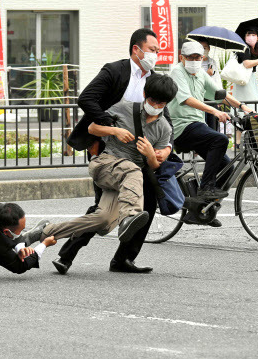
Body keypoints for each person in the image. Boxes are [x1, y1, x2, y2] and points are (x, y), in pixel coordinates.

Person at [57, 28, 174, 275]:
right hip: (110, 149)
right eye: (152, 50)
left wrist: (167, 148)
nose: (155, 55)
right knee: (103, 207)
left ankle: (124, 258)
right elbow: (87, 99)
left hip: (141, 155)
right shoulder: (115, 71)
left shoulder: (154, 79)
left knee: (148, 204)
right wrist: (111, 126)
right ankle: (67, 254)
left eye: (157, 51)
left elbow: (166, 116)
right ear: (136, 49)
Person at [25, 75, 176, 253]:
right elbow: (92, 128)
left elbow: (155, 166)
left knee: (103, 220)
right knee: (133, 170)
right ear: (144, 94)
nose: (156, 106)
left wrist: (151, 155)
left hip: (126, 178)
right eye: (153, 101)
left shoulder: (164, 128)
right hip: (105, 164)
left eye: (162, 104)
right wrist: (115, 130)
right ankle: (130, 216)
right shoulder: (124, 108)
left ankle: (43, 231)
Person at [168, 41, 253, 203]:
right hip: (181, 127)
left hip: (198, 127)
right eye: (190, 58)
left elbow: (220, 94)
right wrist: (214, 110)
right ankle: (206, 187)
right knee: (220, 139)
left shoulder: (200, 74)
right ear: (182, 58)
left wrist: (243, 107)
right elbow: (186, 99)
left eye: (198, 57)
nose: (194, 61)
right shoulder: (177, 72)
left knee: (228, 168)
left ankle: (203, 209)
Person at [231, 27, 258, 116]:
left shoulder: (255, 49)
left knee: (253, 102)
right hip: (243, 79)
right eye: (248, 35)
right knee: (247, 103)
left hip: (250, 78)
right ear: (244, 37)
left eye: (253, 35)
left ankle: (252, 123)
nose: (251, 37)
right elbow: (247, 64)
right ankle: (245, 123)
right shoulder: (243, 48)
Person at [198, 39, 222, 131]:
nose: (203, 50)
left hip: (212, 96)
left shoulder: (212, 62)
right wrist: (206, 74)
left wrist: (219, 97)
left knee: (213, 122)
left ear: (209, 49)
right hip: (200, 97)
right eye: (201, 48)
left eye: (205, 48)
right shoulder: (195, 62)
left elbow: (217, 80)